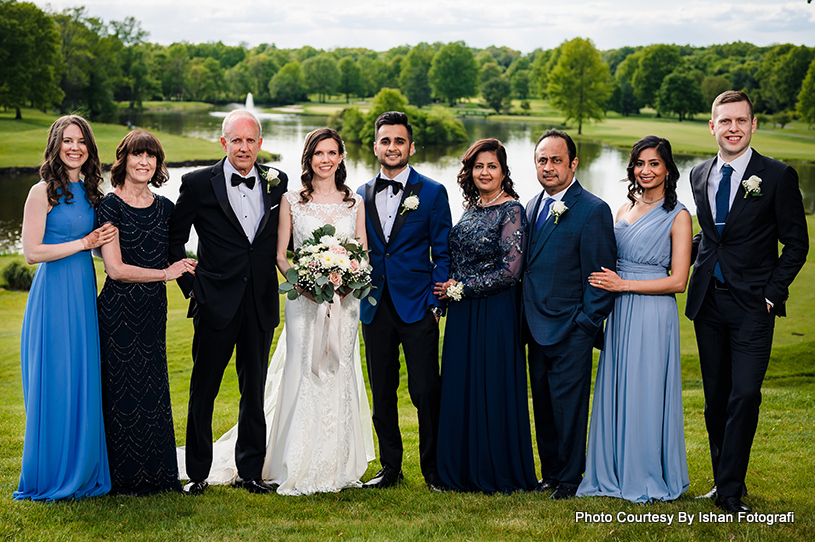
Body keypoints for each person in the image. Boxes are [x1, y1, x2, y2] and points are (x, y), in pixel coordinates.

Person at [686, 91, 808, 514]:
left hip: (755, 307)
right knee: (716, 399)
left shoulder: (776, 176)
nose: (733, 128)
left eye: (741, 120)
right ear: (713, 127)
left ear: (753, 126)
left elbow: (796, 244)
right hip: (708, 305)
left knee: (745, 396)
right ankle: (722, 482)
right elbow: (710, 238)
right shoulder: (699, 174)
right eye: (725, 121)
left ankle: (732, 492)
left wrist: (773, 293)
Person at [169, 109, 288, 495]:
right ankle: (197, 474)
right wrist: (194, 288)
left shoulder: (277, 182)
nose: (243, 147)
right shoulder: (198, 183)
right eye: (236, 140)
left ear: (260, 144)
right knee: (204, 389)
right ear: (224, 143)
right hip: (214, 302)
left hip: (260, 303)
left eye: (250, 140)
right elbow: (175, 241)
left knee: (253, 390)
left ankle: (250, 472)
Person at [258, 127, 375, 495]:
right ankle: (292, 460)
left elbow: (363, 253)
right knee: (303, 369)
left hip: (345, 303)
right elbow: (281, 254)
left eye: (332, 152)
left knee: (339, 370)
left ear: (341, 156)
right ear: (308, 157)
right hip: (303, 303)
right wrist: (305, 285)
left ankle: (336, 463)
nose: (325, 159)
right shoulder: (293, 200)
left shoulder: (354, 202)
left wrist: (348, 282)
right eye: (318, 153)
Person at [576, 136, 692, 503]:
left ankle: (643, 472)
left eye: (654, 164)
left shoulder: (680, 216)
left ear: (668, 169)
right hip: (620, 312)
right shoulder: (623, 207)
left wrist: (623, 284)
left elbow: (679, 280)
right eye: (640, 163)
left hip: (652, 313)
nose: (646, 170)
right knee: (616, 387)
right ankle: (611, 468)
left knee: (644, 388)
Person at [15, 115, 117, 501]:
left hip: (83, 294)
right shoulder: (41, 192)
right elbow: (31, 253)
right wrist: (84, 242)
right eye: (67, 140)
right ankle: (51, 472)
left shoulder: (94, 193)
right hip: (53, 293)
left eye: (81, 141)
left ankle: (83, 467)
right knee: (55, 379)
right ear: (56, 145)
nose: (75, 147)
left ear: (89, 148)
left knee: (81, 378)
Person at [433, 139, 536, 494]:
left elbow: (510, 272)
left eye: (492, 166)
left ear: (504, 171)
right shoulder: (472, 208)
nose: (485, 172)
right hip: (462, 314)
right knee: (460, 385)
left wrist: (461, 288)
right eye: (478, 166)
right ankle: (457, 471)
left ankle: (496, 470)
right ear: (470, 171)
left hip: (495, 312)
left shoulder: (512, 211)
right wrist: (449, 295)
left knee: (492, 385)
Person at [97, 130, 197, 495]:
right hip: (117, 311)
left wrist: (194, 268)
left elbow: (176, 254)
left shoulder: (166, 208)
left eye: (151, 156)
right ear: (122, 160)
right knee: (121, 392)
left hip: (153, 310)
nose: (144, 162)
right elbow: (116, 269)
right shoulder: (109, 206)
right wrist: (165, 274)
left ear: (158, 163)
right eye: (137, 155)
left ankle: (160, 476)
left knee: (153, 391)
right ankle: (122, 479)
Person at [357, 111, 452, 491]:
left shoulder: (432, 192)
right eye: (385, 141)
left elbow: (443, 252)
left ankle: (434, 471)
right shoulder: (360, 194)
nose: (392, 147)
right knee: (382, 391)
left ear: (411, 147)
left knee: (426, 391)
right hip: (374, 305)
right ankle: (390, 468)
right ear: (375, 146)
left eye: (399, 141)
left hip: (417, 306)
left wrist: (436, 300)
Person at [522, 129, 616, 500]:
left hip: (571, 329)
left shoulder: (593, 210)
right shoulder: (531, 206)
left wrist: (586, 324)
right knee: (543, 405)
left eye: (556, 160)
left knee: (570, 408)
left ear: (573, 163)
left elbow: (601, 277)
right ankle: (550, 473)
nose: (548, 167)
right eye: (542, 160)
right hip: (534, 326)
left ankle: (571, 479)